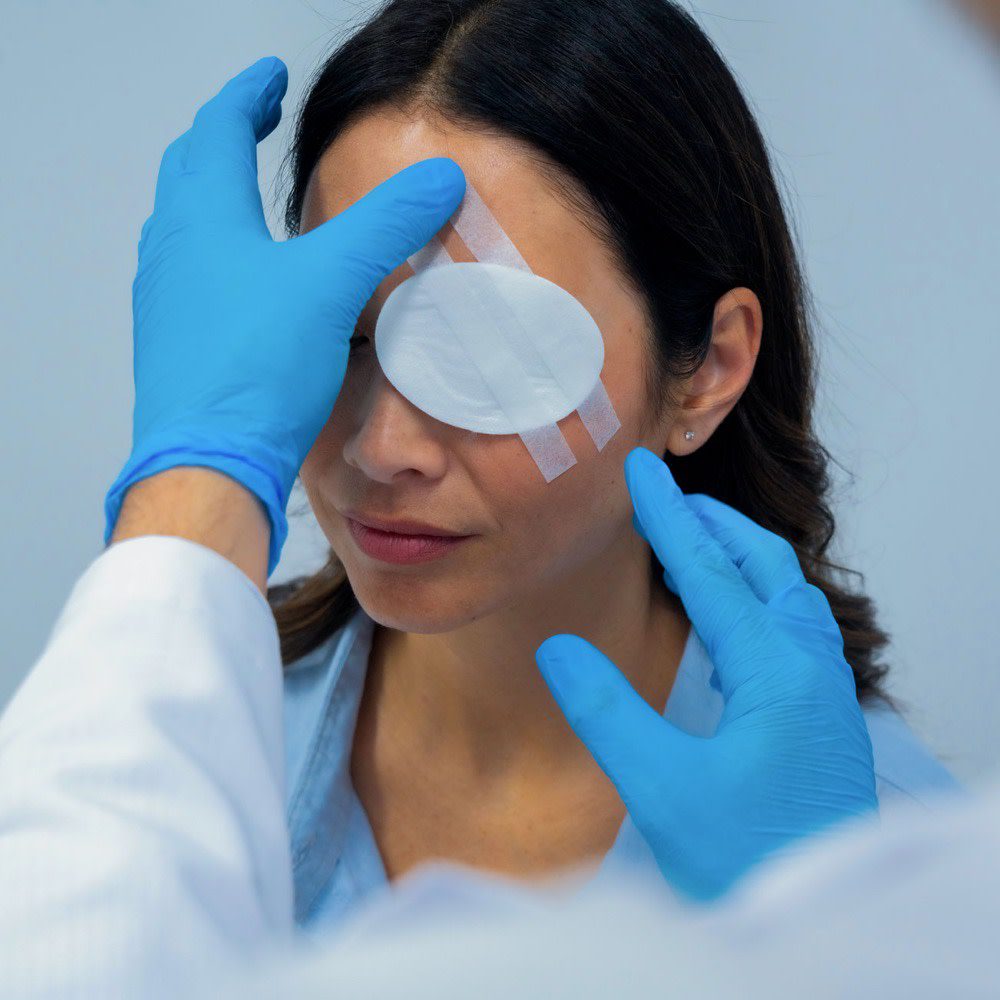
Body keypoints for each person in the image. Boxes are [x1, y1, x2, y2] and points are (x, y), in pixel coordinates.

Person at [0, 0, 989, 996]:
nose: (382, 451)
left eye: (482, 353)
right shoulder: (148, 753)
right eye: (335, 334)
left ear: (707, 370)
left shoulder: (891, 872)